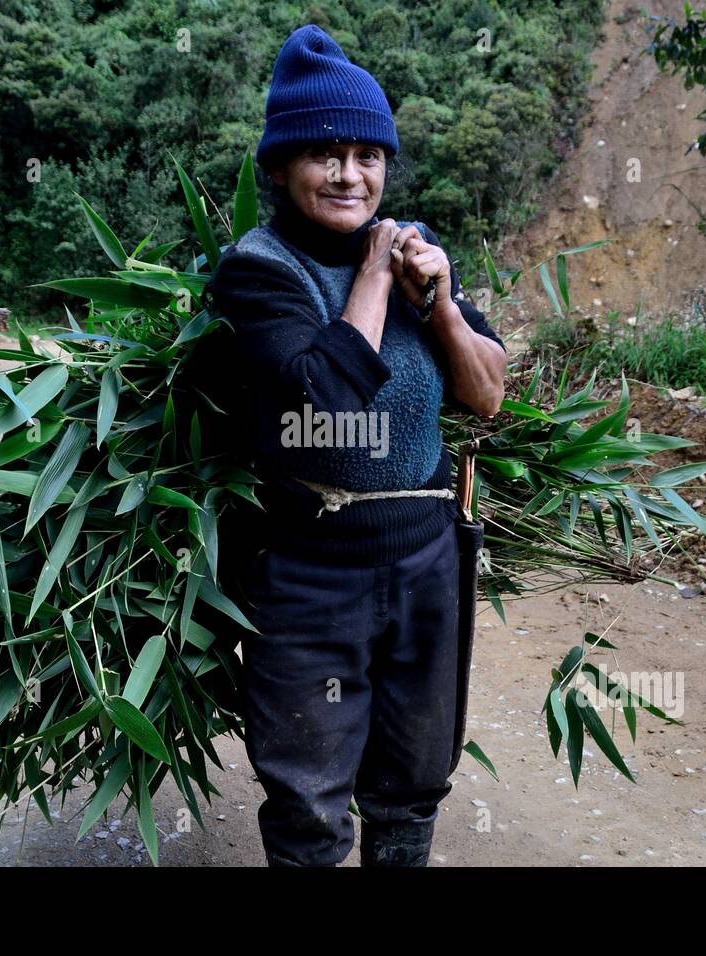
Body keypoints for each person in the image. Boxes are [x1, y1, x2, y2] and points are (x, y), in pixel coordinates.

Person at [200, 23, 507, 867]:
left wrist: (437, 301)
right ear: (279, 167)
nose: (350, 174)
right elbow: (324, 398)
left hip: (426, 558)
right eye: (324, 154)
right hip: (306, 570)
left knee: (412, 781)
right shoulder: (258, 271)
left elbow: (486, 395)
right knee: (308, 797)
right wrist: (373, 276)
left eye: (369, 153)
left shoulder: (411, 259)